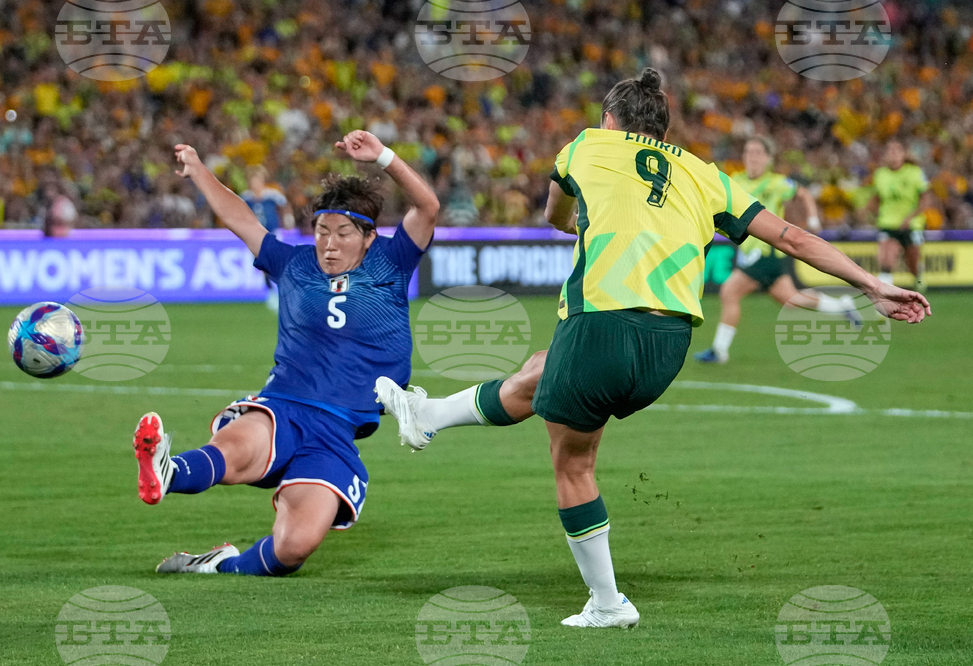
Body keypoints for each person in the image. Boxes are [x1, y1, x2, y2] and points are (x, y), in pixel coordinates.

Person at [376, 69, 930, 628]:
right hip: (668, 347)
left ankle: (608, 604)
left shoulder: (586, 147)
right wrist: (873, 285)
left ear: (609, 120)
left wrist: (582, 219)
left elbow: (554, 215)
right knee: (543, 370)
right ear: (664, 131)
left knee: (573, 463)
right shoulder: (704, 174)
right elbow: (792, 237)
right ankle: (429, 416)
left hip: (602, 323)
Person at [133, 130, 438, 576]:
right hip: (285, 405)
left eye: (343, 233)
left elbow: (427, 206)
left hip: (338, 431)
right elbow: (240, 218)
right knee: (240, 446)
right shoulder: (294, 263)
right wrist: (198, 171)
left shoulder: (391, 262)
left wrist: (384, 157)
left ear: (369, 236)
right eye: (321, 231)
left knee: (294, 548)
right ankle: (168, 470)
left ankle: (218, 566)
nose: (329, 244)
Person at [694, 136, 860, 364]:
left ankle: (719, 351)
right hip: (753, 253)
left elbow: (803, 193)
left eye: (757, 153)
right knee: (791, 300)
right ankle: (842, 305)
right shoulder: (736, 180)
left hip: (767, 251)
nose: (752, 157)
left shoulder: (775, 182)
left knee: (729, 292)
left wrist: (813, 218)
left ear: (768, 158)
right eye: (748, 152)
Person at [870, 140, 934, 291]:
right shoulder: (880, 174)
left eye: (896, 151)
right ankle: (885, 293)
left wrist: (910, 218)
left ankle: (917, 275)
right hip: (888, 223)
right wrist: (871, 213)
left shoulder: (915, 172)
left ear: (903, 154)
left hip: (912, 224)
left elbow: (926, 199)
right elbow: (877, 198)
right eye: (889, 151)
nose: (893, 154)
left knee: (912, 262)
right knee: (886, 258)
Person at [241, 166, 294, 312]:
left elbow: (285, 207)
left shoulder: (272, 195)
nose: (255, 184)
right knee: (264, 265)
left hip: (273, 233)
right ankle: (272, 292)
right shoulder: (245, 197)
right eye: (253, 181)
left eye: (258, 180)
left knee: (275, 262)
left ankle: (281, 292)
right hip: (256, 235)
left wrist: (288, 220)